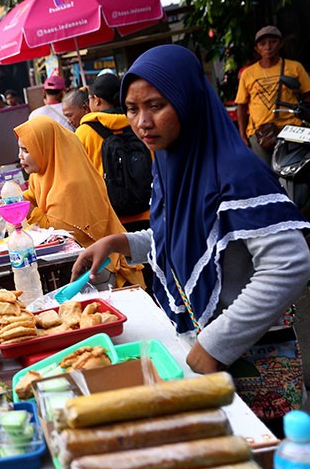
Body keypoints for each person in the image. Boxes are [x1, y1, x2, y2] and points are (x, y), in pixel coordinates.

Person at [73, 45, 310, 378]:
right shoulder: (170, 164)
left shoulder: (236, 173)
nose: (142, 122)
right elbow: (178, 235)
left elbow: (290, 264)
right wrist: (117, 243)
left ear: (188, 101)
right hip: (201, 346)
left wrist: (216, 343)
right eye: (131, 109)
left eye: (156, 106)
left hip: (254, 358)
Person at [15, 115, 144, 288]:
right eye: (20, 150)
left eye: (26, 150)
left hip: (99, 266)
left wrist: (28, 209)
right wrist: (15, 197)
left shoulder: (71, 183)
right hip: (80, 262)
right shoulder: (41, 174)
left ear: (45, 148)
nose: (20, 156)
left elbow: (60, 231)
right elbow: (33, 194)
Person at [75, 73, 151, 232]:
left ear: (96, 99)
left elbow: (79, 180)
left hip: (110, 220)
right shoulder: (140, 124)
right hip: (148, 213)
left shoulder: (84, 132)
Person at [236, 25, 310, 162]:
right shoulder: (248, 73)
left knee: (295, 172)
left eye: (273, 42)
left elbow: (307, 95)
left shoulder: (295, 67)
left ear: (280, 44)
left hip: (291, 129)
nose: (268, 47)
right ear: (257, 49)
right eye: (262, 44)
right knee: (265, 175)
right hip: (260, 133)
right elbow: (241, 105)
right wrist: (242, 135)